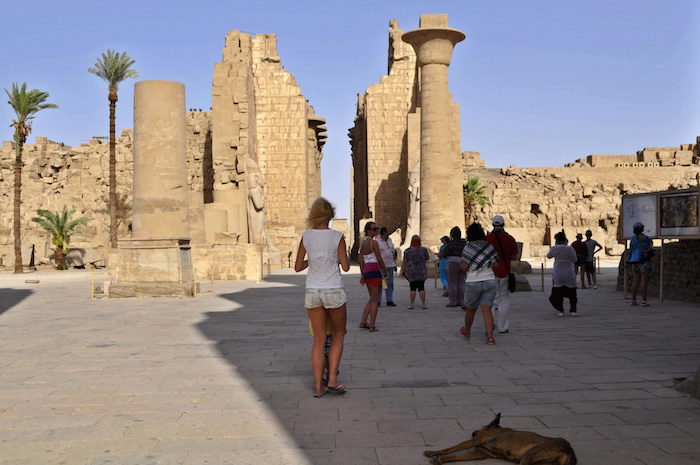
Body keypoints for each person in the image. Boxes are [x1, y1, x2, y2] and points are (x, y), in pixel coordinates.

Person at [294, 197, 350, 398]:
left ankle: (318, 387)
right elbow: (345, 266)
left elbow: (298, 266)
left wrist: (313, 260)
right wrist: (331, 258)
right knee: (339, 334)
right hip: (333, 289)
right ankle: (333, 378)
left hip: (313, 291)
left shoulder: (306, 237)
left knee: (318, 339)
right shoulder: (337, 236)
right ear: (330, 215)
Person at [459, 223, 499, 345]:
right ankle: (490, 337)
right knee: (487, 309)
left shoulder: (468, 247)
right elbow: (496, 264)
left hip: (473, 281)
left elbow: (464, 267)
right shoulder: (489, 246)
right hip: (490, 280)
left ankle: (467, 330)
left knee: (471, 309)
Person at [486, 215, 518, 334]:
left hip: (491, 272)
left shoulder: (488, 238)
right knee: (504, 299)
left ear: (493, 224)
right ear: (503, 224)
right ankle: (502, 327)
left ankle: (491, 324)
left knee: (493, 300)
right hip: (505, 271)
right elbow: (514, 255)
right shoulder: (509, 238)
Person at [358, 221, 387, 332]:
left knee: (372, 298)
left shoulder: (363, 243)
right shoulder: (374, 243)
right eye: (374, 229)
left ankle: (363, 321)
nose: (376, 231)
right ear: (369, 231)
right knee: (375, 300)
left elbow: (361, 260)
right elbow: (379, 259)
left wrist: (362, 274)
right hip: (375, 270)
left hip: (367, 271)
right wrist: (384, 270)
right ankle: (372, 325)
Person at [546, 231, 578, 316]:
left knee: (558, 292)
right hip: (569, 272)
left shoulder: (555, 248)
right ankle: (573, 310)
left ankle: (561, 310)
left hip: (558, 272)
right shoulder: (570, 248)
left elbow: (548, 256)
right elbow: (575, 259)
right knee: (572, 292)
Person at [400, 235, 430, 309]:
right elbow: (427, 258)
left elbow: (404, 262)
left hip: (411, 271)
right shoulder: (423, 250)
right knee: (421, 288)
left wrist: (402, 270)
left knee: (412, 288)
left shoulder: (407, 251)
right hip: (421, 271)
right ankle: (423, 304)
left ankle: (412, 304)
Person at [627, 222, 652, 307]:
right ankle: (644, 300)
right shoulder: (644, 238)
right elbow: (647, 248)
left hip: (634, 261)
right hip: (643, 260)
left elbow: (630, 250)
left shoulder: (633, 238)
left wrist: (628, 260)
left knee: (636, 280)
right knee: (643, 280)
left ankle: (634, 300)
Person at [441, 226, 467, 307]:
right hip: (462, 262)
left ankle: (453, 301)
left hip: (452, 262)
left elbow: (444, 253)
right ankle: (461, 301)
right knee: (461, 282)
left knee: (452, 282)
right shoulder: (464, 243)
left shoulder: (451, 244)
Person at [376, 226, 397, 307]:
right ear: (384, 232)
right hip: (380, 266)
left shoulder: (390, 240)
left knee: (390, 283)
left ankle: (389, 300)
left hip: (390, 265)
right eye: (387, 232)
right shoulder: (377, 241)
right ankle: (378, 301)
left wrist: (394, 264)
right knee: (380, 283)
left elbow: (392, 252)